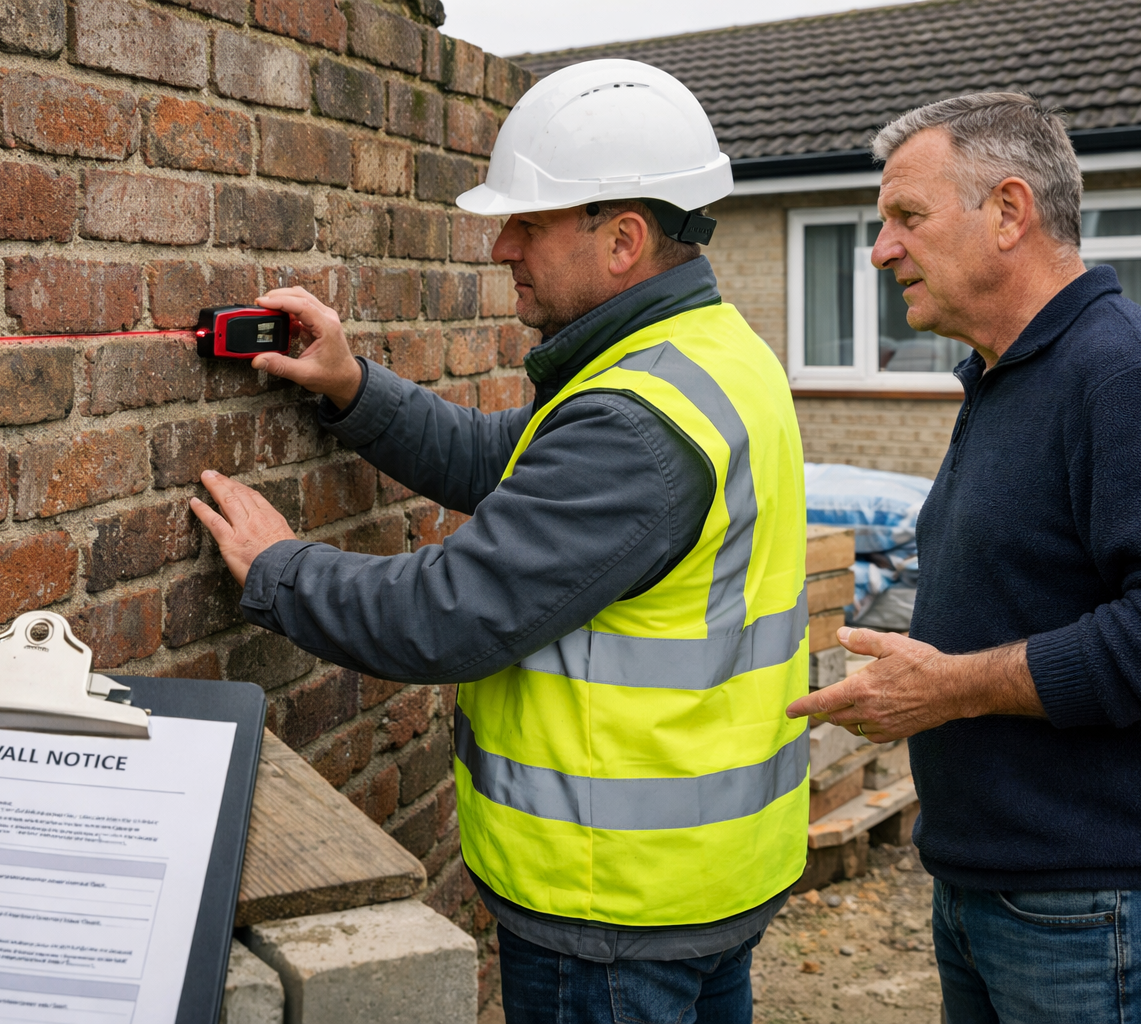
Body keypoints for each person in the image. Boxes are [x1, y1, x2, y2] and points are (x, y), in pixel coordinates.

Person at [189, 59, 810, 1023]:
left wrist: (283, 569)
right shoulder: (707, 356)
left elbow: (450, 615)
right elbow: (512, 467)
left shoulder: (636, 422)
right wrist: (355, 387)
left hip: (614, 908)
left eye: (529, 221)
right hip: (705, 878)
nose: (502, 246)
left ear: (623, 239)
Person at [787, 92, 1141, 1022]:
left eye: (907, 218)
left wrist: (953, 687)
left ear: (1008, 211)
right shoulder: (1005, 379)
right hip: (991, 889)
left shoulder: (1128, 375)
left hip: (1098, 907)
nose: (879, 251)